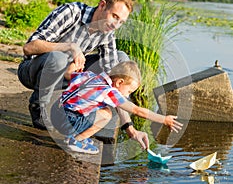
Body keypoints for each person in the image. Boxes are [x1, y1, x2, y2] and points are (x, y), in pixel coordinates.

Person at [17, 0, 133, 129]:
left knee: (120, 60)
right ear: (102, 5)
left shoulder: (108, 32)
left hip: (67, 77)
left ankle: (86, 113)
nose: (116, 25)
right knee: (58, 58)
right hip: (35, 71)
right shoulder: (72, 12)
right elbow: (29, 48)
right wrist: (70, 47)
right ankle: (39, 108)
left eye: (121, 22)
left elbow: (114, 80)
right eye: (114, 16)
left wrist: (129, 127)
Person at [50, 61, 183, 155]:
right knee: (106, 114)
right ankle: (75, 141)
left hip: (55, 112)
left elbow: (68, 74)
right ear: (119, 82)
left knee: (93, 108)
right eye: (129, 91)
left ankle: (78, 137)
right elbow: (137, 110)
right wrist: (164, 120)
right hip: (67, 121)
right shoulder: (109, 91)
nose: (127, 95)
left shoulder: (91, 76)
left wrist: (74, 63)